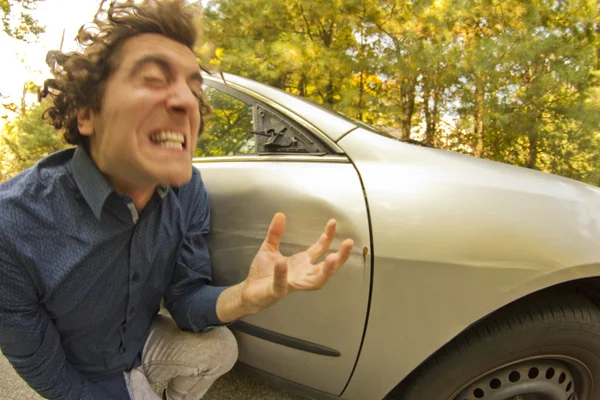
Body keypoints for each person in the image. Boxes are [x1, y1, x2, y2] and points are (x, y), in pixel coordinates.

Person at [0, 0, 354, 399]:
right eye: (152, 78)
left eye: (194, 88)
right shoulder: (11, 225)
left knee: (219, 347)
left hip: (140, 347)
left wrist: (247, 295)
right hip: (83, 377)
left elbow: (185, 301)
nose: (186, 101)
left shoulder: (189, 192)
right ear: (87, 114)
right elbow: (46, 373)